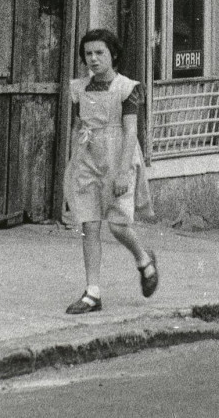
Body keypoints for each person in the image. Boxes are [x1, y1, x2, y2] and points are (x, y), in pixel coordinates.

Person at [63, 28, 158, 313]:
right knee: (88, 225)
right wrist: (77, 155)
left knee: (117, 224)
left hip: (119, 155)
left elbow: (131, 132)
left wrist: (123, 172)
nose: (93, 59)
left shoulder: (127, 88)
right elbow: (78, 125)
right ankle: (92, 292)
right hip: (88, 159)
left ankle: (144, 260)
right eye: (88, 54)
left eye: (99, 53)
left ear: (113, 55)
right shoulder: (79, 89)